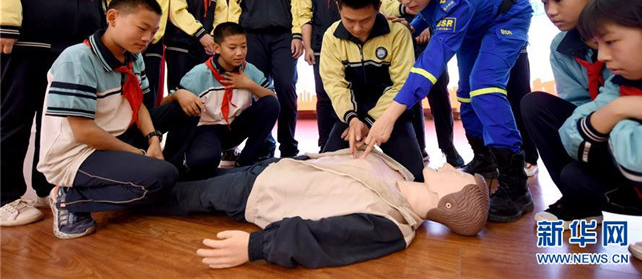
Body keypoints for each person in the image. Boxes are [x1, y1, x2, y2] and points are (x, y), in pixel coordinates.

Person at [366, 0, 533, 223]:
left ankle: (516, 187)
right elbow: (431, 10)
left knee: (484, 88)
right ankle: (484, 158)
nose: (404, 1)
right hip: (475, 26)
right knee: (466, 93)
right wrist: (414, 26)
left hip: (506, 19)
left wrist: (389, 115)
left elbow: (430, 64)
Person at [0, 0, 115, 227]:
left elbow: (106, 4)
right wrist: (5, 23)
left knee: (58, 126)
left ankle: (46, 187)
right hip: (28, 43)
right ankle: (4, 197)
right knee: (14, 119)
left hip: (73, 53)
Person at [144, 151, 489, 269]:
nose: (451, 168)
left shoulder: (390, 225)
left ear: (447, 201)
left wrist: (255, 246)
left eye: (457, 177)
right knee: (182, 175)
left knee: (170, 194)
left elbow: (320, 240)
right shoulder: (402, 174)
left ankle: (116, 192)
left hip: (256, 193)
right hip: (275, 168)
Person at [38, 0, 197, 239]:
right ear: (112, 18)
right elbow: (84, 132)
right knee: (161, 177)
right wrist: (140, 154)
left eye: (153, 32)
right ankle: (69, 198)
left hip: (118, 136)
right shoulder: (77, 59)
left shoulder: (134, 57)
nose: (148, 38)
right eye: (142, 29)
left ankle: (162, 172)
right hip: (78, 153)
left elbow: (138, 105)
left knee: (187, 109)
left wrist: (154, 141)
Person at [522, 0, 635, 225]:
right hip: (601, 129)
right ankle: (579, 204)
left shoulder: (635, 33)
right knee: (535, 105)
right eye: (545, 3)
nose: (551, 11)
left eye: (559, 0)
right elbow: (576, 103)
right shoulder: (561, 46)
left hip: (636, 133)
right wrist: (589, 129)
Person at [557, 0, 642, 264]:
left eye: (610, 42)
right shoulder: (624, 85)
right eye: (598, 44)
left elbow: (639, 159)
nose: (603, 56)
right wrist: (622, 108)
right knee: (575, 174)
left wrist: (612, 121)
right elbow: (571, 135)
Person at [319, 0, 424, 182]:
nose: (357, 28)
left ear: (378, 7)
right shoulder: (331, 37)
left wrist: (370, 122)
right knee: (326, 175)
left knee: (416, 177)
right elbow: (335, 85)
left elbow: (402, 85)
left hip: (391, 114)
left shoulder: (398, 33)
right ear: (339, 8)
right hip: (351, 117)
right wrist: (353, 119)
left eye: (365, 20)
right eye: (349, 20)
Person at [449, 0, 536, 178]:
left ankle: (528, 157)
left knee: (517, 98)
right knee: (479, 98)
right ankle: (487, 157)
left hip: (508, 43)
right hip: (476, 48)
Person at [379, 0, 460, 167]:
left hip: (434, 37)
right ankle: (418, 150)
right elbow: (389, 6)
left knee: (439, 92)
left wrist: (428, 26)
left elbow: (443, 11)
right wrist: (413, 22)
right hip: (405, 39)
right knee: (410, 91)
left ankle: (449, 148)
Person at [162, 22, 280, 179]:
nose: (240, 53)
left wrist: (249, 85)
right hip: (207, 130)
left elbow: (273, 99)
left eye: (244, 46)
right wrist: (178, 95)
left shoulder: (250, 71)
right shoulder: (199, 74)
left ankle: (245, 160)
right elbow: (166, 106)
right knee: (202, 162)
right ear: (216, 48)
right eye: (232, 48)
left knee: (271, 104)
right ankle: (196, 154)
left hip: (235, 126)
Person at [228, 0, 303, 158]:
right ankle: (264, 145)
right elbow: (234, 10)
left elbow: (297, 5)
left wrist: (297, 35)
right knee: (256, 91)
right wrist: (235, 43)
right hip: (252, 39)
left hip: (283, 38)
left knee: (286, 86)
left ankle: (288, 146)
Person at [296, 0, 361, 150]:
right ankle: (325, 145)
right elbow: (305, 14)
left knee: (353, 93)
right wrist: (307, 46)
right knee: (324, 96)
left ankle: (354, 141)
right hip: (321, 46)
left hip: (351, 43)